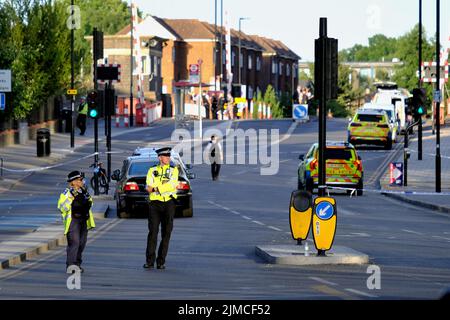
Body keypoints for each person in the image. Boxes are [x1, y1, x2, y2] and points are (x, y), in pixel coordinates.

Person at [144, 147, 179, 270]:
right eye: (166, 156)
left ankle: (161, 261)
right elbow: (148, 186)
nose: (168, 158)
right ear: (160, 157)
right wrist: (160, 186)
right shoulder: (152, 170)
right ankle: (149, 261)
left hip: (169, 203)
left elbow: (172, 184)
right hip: (154, 203)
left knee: (166, 233)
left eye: (169, 156)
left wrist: (157, 188)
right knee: (153, 232)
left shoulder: (174, 170)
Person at [57, 171, 96, 273]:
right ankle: (71, 265)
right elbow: (61, 207)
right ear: (73, 182)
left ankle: (77, 264)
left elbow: (90, 203)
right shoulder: (67, 193)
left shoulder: (83, 191)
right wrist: (71, 199)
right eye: (80, 180)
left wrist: (87, 199)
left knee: (81, 243)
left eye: (82, 180)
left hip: (83, 220)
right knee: (74, 243)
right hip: (73, 221)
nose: (82, 181)